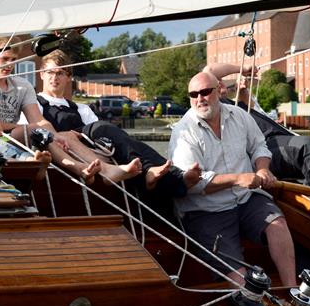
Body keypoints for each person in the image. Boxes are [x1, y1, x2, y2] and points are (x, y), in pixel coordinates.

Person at [169, 70, 297, 287]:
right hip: (206, 211)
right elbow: (195, 184)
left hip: (246, 199)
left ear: (219, 91)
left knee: (278, 223)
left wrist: (263, 169)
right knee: (241, 280)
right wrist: (237, 178)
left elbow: (259, 146)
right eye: (193, 94)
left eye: (205, 92)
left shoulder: (239, 115)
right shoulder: (183, 133)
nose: (199, 99)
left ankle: (292, 290)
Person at [0, 37, 140, 183]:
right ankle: (76, 168)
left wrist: (56, 136)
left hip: (14, 135)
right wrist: (36, 128)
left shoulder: (22, 85)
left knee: (64, 135)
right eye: (4, 59)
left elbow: (39, 119)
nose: (10, 65)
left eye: (14, 60)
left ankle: (107, 170)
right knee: (37, 131)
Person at [34, 49, 201, 197]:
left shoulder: (81, 109)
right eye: (50, 72)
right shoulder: (35, 106)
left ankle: (171, 176)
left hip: (96, 150)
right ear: (42, 74)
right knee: (104, 128)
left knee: (129, 142)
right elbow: (34, 134)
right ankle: (161, 175)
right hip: (66, 155)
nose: (54, 77)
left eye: (60, 73)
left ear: (68, 77)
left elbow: (100, 134)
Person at [208, 64, 310, 196]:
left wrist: (243, 90)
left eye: (222, 80)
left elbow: (249, 105)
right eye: (217, 81)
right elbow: (209, 70)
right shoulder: (219, 108)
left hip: (288, 140)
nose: (222, 81)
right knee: (304, 145)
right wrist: (242, 68)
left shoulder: (239, 104)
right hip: (267, 149)